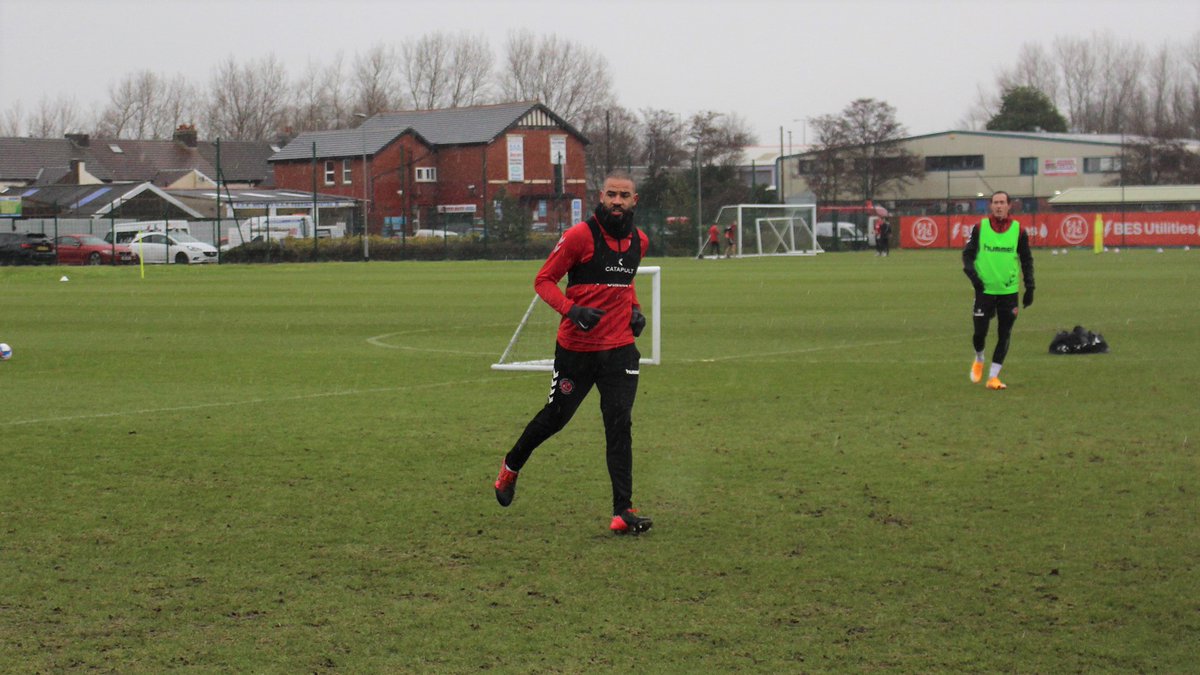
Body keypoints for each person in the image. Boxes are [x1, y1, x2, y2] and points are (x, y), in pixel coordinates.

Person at [493, 171, 653, 535]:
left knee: (619, 425)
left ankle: (622, 510)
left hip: (619, 352)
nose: (617, 201)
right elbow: (543, 280)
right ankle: (511, 466)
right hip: (577, 351)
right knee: (555, 419)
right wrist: (572, 310)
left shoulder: (639, 241)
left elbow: (624, 285)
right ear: (601, 196)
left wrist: (635, 311)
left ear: (634, 200)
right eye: (611, 194)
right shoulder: (580, 236)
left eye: (624, 196)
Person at [962, 191, 1035, 390]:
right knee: (980, 333)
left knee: (1005, 333)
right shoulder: (980, 228)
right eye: (996, 203)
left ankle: (993, 377)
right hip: (984, 290)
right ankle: (979, 358)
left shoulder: (1019, 231)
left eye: (1002, 202)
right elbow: (967, 255)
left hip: (1009, 291)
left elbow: (1027, 260)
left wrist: (1030, 287)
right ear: (991, 206)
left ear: (1009, 205)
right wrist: (973, 277)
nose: (999, 206)